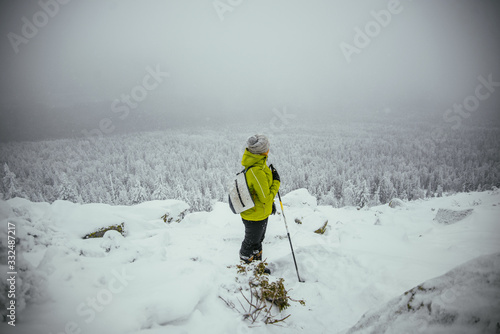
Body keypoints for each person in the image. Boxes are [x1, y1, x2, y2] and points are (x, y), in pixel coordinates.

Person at [239, 134, 280, 265]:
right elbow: (265, 198)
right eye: (267, 147)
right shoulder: (257, 170)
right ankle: (247, 272)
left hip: (259, 212)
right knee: (250, 243)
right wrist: (277, 182)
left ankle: (257, 269)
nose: (269, 149)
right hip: (254, 215)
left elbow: (262, 191)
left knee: (257, 242)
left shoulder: (259, 164)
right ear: (263, 151)